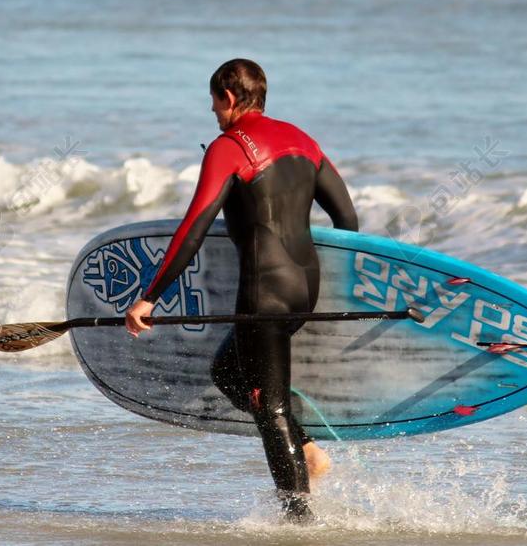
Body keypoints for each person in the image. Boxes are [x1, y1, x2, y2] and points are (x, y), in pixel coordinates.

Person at [125, 58, 358, 521]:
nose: (212, 113)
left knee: (267, 406)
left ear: (228, 98)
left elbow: (193, 229)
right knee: (229, 372)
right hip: (304, 290)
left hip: (264, 295)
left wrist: (150, 296)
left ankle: (299, 521)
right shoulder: (302, 139)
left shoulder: (228, 147)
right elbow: (347, 221)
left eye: (213, 103)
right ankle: (308, 450)